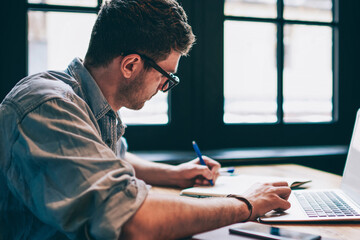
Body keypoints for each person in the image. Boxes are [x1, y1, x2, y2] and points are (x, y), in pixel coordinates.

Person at [0, 0, 291, 239]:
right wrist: (246, 203)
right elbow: (134, 220)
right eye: (167, 77)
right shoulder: (49, 106)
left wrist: (173, 174)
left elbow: (105, 159)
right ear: (130, 65)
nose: (165, 88)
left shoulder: (87, 104)